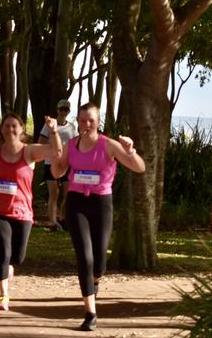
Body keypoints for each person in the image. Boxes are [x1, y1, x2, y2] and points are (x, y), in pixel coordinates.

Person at [50, 102, 145, 332]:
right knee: (85, 257)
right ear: (78, 122)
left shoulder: (108, 145)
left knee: (99, 261)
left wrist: (130, 150)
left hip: (101, 204)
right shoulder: (71, 144)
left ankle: (95, 281)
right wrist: (56, 156)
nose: (86, 124)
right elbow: (58, 171)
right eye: (82, 120)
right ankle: (90, 312)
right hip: (76, 203)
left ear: (98, 122)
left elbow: (139, 167)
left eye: (91, 120)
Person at [0, 112, 62, 311]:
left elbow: (55, 150)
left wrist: (53, 130)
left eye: (14, 126)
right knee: (3, 252)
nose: (10, 129)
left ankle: (8, 270)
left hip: (22, 212)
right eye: (6, 126)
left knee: (17, 258)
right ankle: (4, 295)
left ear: (21, 130)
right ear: (1, 130)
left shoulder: (30, 152)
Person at [38, 99, 76, 231]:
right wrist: (50, 152)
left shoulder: (72, 127)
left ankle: (62, 218)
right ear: (57, 110)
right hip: (50, 163)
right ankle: (53, 222)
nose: (63, 112)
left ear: (69, 111)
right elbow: (41, 142)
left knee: (67, 194)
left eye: (66, 110)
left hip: (67, 163)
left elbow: (75, 144)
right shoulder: (49, 124)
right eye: (61, 109)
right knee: (54, 193)